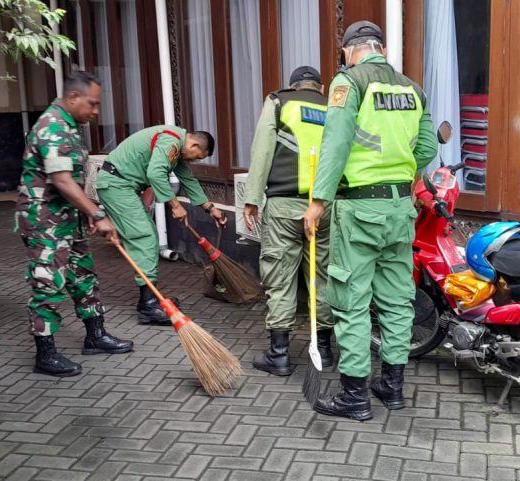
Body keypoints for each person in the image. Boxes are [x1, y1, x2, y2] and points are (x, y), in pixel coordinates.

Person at [302, 21, 438, 420]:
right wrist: (402, 174)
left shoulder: (348, 82)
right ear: (379, 47)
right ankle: (392, 388)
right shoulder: (412, 88)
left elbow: (336, 143)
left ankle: (354, 397)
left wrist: (318, 201)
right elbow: (427, 144)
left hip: (359, 210)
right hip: (400, 210)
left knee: (352, 303)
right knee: (397, 301)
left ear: (350, 51)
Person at [15, 71, 134, 378]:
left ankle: (95, 336)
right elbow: (63, 181)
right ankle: (45, 354)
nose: (96, 112)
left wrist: (83, 215)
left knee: (83, 276)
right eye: (92, 104)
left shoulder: (68, 126)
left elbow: (72, 182)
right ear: (72, 98)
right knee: (47, 283)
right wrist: (97, 214)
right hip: (45, 222)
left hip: (67, 217)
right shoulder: (52, 126)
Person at [243, 66, 336, 376]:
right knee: (321, 276)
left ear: (293, 85)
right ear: (321, 88)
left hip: (284, 205)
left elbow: (262, 152)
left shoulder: (279, 101)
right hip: (325, 206)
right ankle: (324, 348)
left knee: (280, 274)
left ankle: (279, 354)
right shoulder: (333, 106)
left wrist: (252, 198)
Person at [93, 126, 226, 325]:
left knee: (149, 236)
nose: (193, 161)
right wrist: (175, 205)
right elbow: (155, 173)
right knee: (144, 237)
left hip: (122, 186)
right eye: (196, 157)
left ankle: (150, 298)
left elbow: (187, 179)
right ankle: (147, 306)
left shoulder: (177, 147)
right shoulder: (171, 141)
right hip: (117, 186)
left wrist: (210, 208)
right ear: (194, 144)